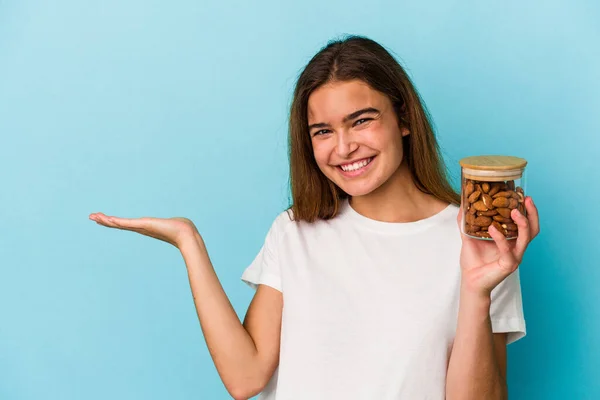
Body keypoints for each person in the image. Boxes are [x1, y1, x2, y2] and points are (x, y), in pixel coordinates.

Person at [89, 35, 540, 399]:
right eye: (323, 131)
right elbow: (245, 379)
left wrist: (477, 292)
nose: (343, 148)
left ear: (403, 118)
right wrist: (189, 243)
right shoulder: (294, 232)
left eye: (361, 121)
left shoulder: (479, 244)